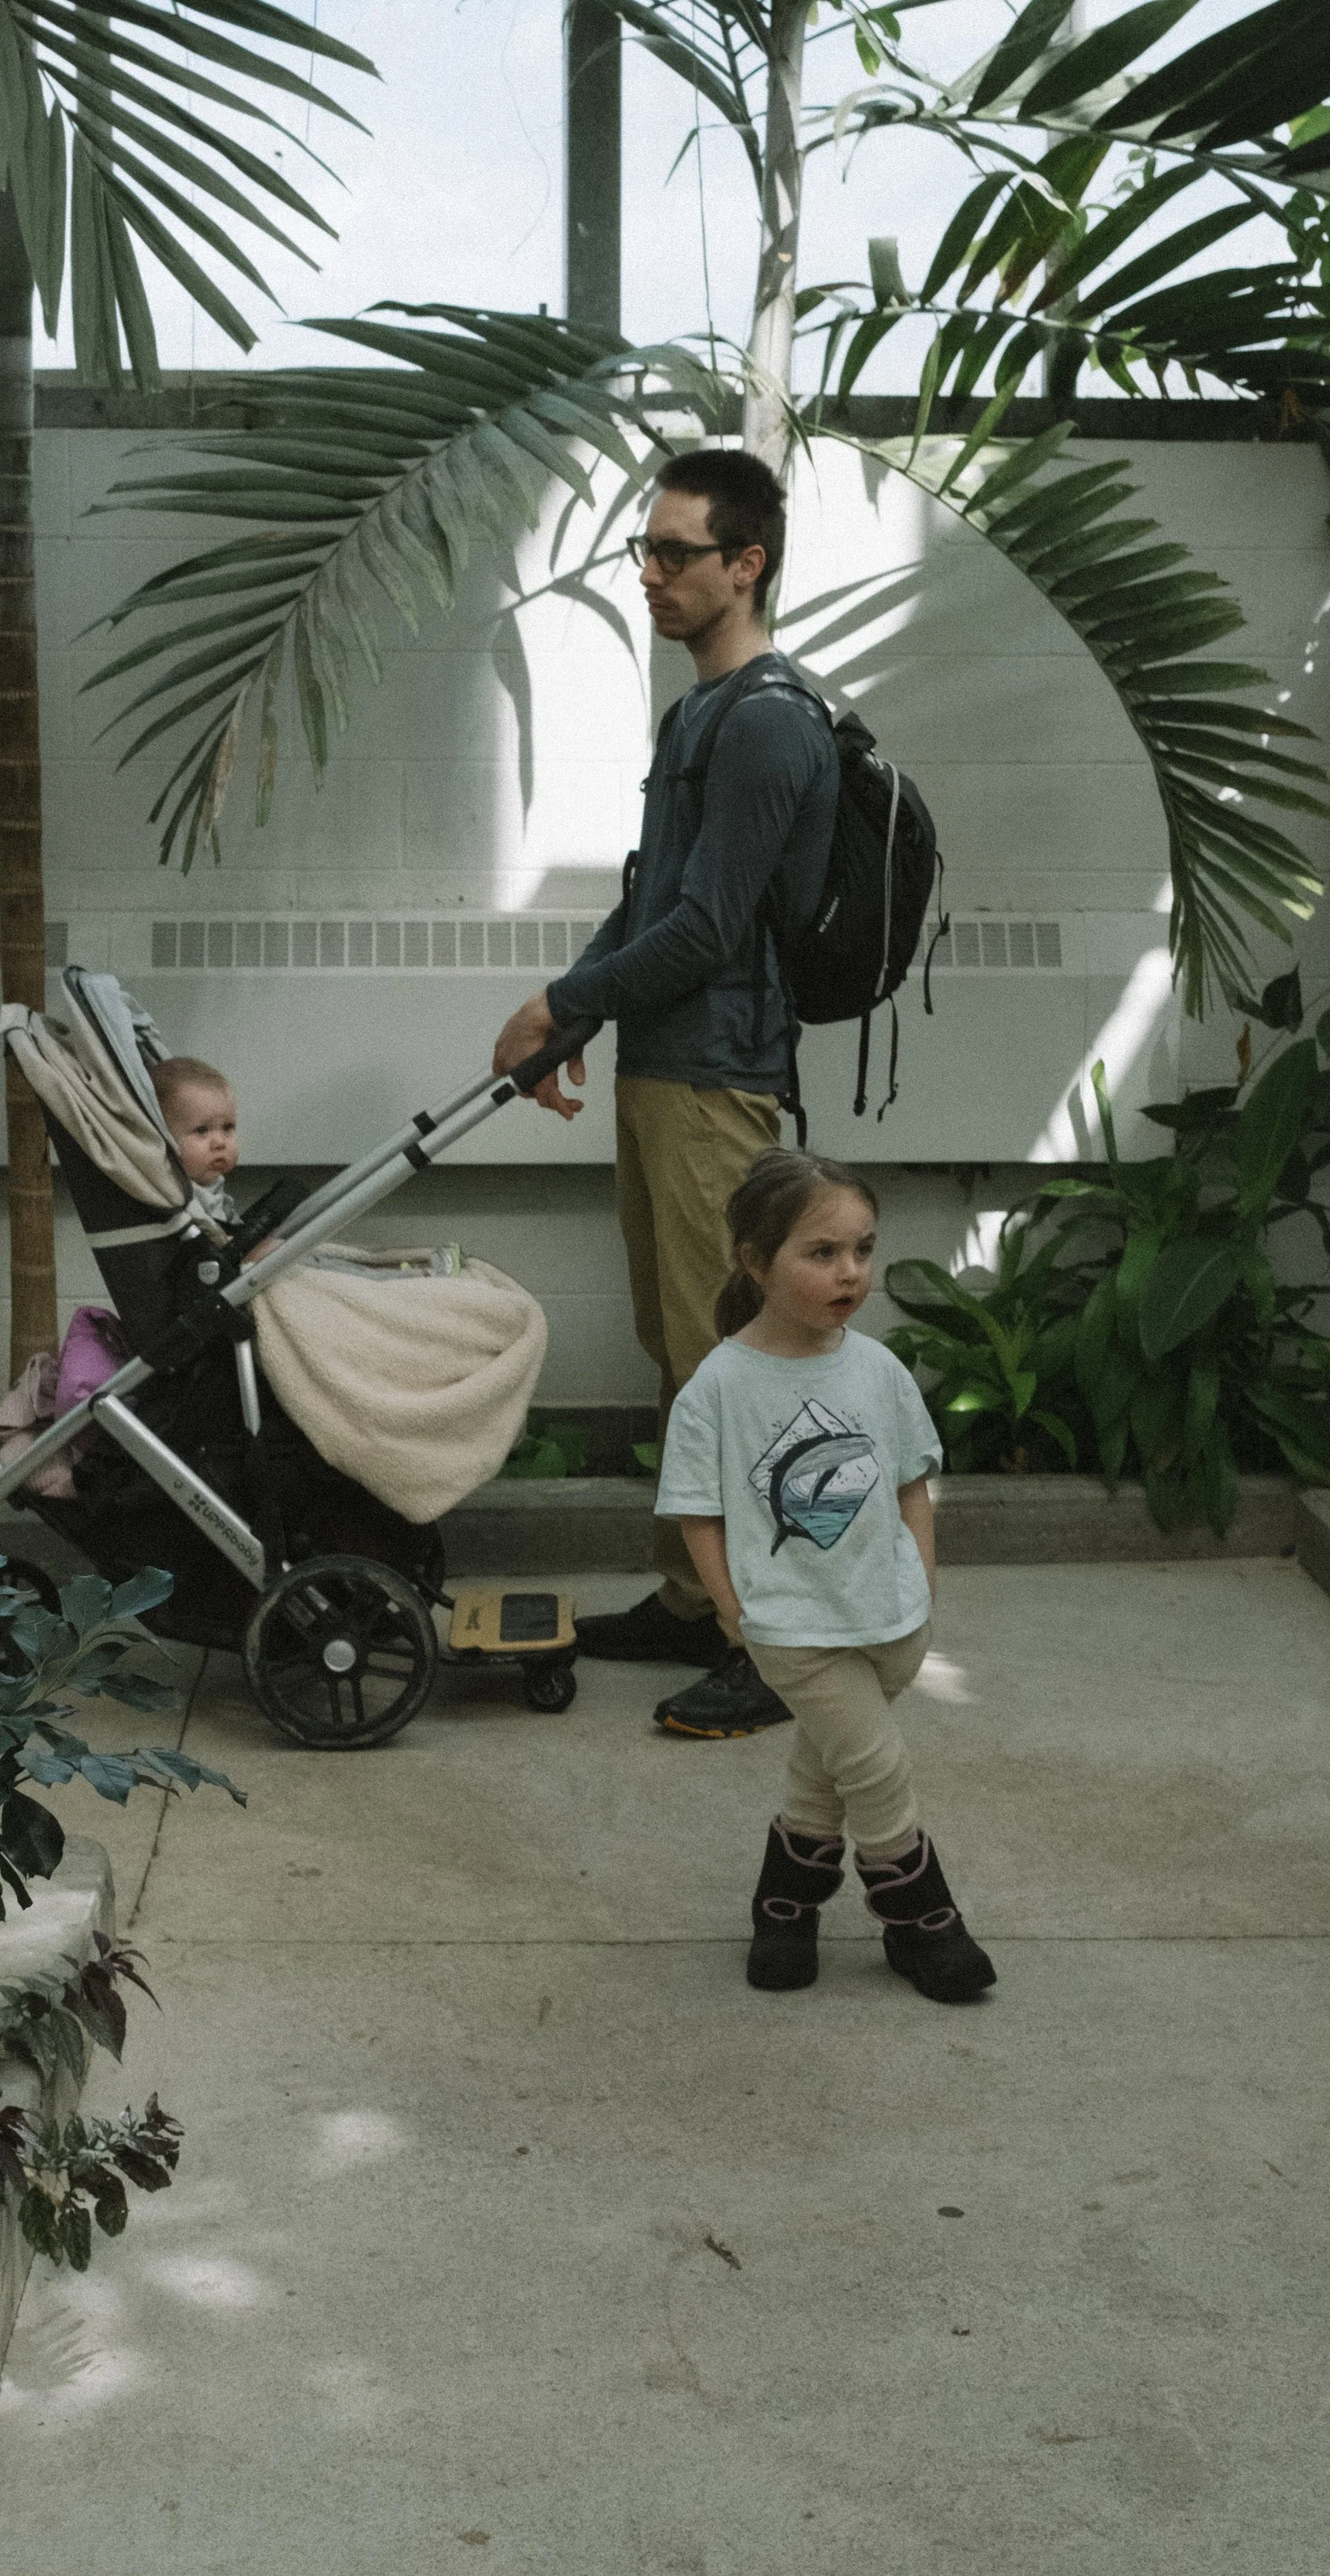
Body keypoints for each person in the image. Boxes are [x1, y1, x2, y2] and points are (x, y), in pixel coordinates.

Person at [491, 448, 839, 1738]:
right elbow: (652, 900)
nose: (649, 573)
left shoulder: (766, 721)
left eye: (674, 552)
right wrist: (566, 1000)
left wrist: (567, 1005)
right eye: (647, 550)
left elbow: (704, 933)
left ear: (744, 564)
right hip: (664, 1070)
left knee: (733, 1372)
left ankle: (771, 1643)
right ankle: (692, 1603)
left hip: (718, 1083)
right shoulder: (698, 713)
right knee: (683, 1356)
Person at [654, 1149, 995, 2003]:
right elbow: (699, 1513)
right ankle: (921, 1923)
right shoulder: (719, 1388)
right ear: (755, 1261)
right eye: (821, 1253)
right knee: (876, 1768)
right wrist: (733, 1613)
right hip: (791, 1623)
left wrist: (919, 1577)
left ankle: (784, 1907)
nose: (850, 1273)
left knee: (826, 1766)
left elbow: (913, 1480)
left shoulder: (876, 1370)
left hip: (890, 1619)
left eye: (861, 1250)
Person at [151, 1054, 241, 1222]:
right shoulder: (178, 1197)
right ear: (165, 1136)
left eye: (227, 1127)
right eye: (201, 1130)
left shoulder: (209, 1183)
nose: (220, 1143)